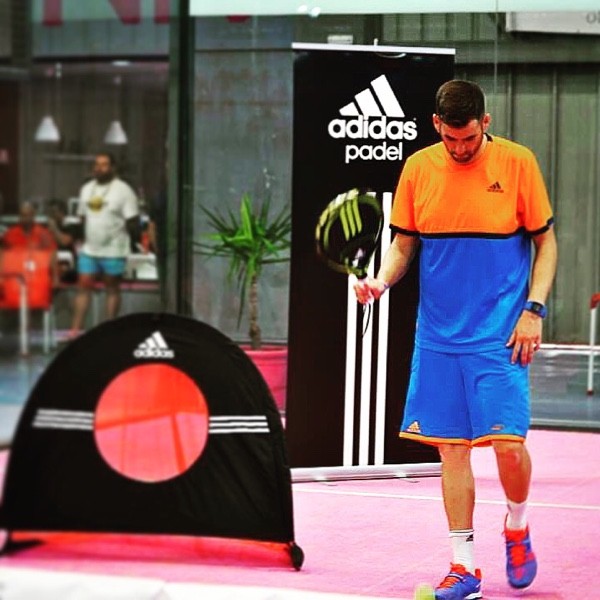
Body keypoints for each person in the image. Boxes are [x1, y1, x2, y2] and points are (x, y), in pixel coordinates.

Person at [354, 80, 558, 600]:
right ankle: (464, 567)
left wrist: (533, 310)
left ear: (485, 123)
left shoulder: (518, 163)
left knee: (509, 447)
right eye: (452, 139)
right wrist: (381, 281)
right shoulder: (419, 168)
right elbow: (404, 246)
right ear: (437, 126)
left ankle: (517, 523)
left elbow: (546, 243)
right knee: (452, 451)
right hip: (439, 338)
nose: (461, 149)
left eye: (469, 138)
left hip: (502, 336)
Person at [70, 152, 140, 336]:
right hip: (89, 249)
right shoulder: (86, 188)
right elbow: (82, 217)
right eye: (96, 164)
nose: (99, 168)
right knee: (83, 286)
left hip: (114, 249)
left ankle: (108, 332)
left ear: (113, 167)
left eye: (104, 164)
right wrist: (79, 240)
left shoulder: (123, 190)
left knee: (112, 289)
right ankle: (75, 330)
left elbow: (133, 220)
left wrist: (134, 244)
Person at [46, 198, 82, 284]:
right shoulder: (46, 229)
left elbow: (65, 242)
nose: (51, 216)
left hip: (69, 263)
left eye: (53, 212)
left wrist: (54, 229)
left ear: (61, 213)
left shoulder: (71, 226)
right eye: (49, 213)